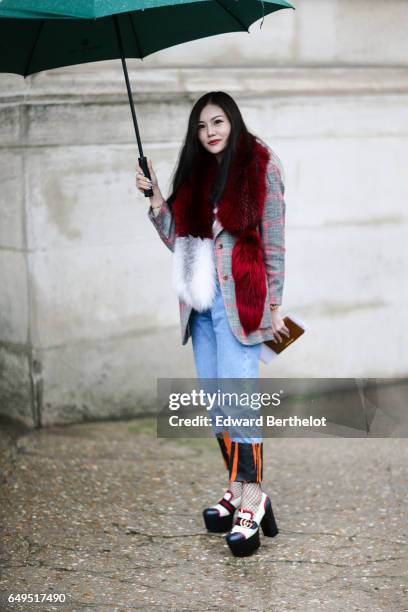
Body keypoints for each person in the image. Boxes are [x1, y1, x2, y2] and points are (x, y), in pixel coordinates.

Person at [135, 91, 289, 557]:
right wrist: (157, 198)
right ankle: (243, 491)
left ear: (233, 121)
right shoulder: (196, 173)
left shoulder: (262, 165)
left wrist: (274, 305)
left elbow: (276, 242)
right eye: (202, 127)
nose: (210, 132)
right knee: (219, 408)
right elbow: (178, 239)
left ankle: (249, 504)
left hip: (241, 302)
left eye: (218, 122)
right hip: (200, 306)